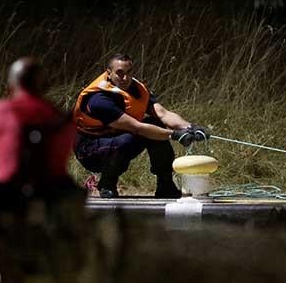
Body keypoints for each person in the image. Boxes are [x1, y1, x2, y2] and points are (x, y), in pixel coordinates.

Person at [0, 57, 83, 283]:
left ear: (12, 84)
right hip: (54, 195)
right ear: (44, 85)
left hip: (9, 195)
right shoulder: (63, 120)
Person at [72, 53, 210, 198]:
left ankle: (165, 185)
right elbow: (137, 128)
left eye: (129, 73)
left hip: (119, 136)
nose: (125, 78)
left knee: (154, 123)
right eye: (120, 73)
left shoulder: (137, 89)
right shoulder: (99, 99)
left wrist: (190, 127)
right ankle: (107, 183)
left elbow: (163, 114)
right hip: (90, 149)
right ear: (109, 73)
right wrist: (174, 134)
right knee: (128, 139)